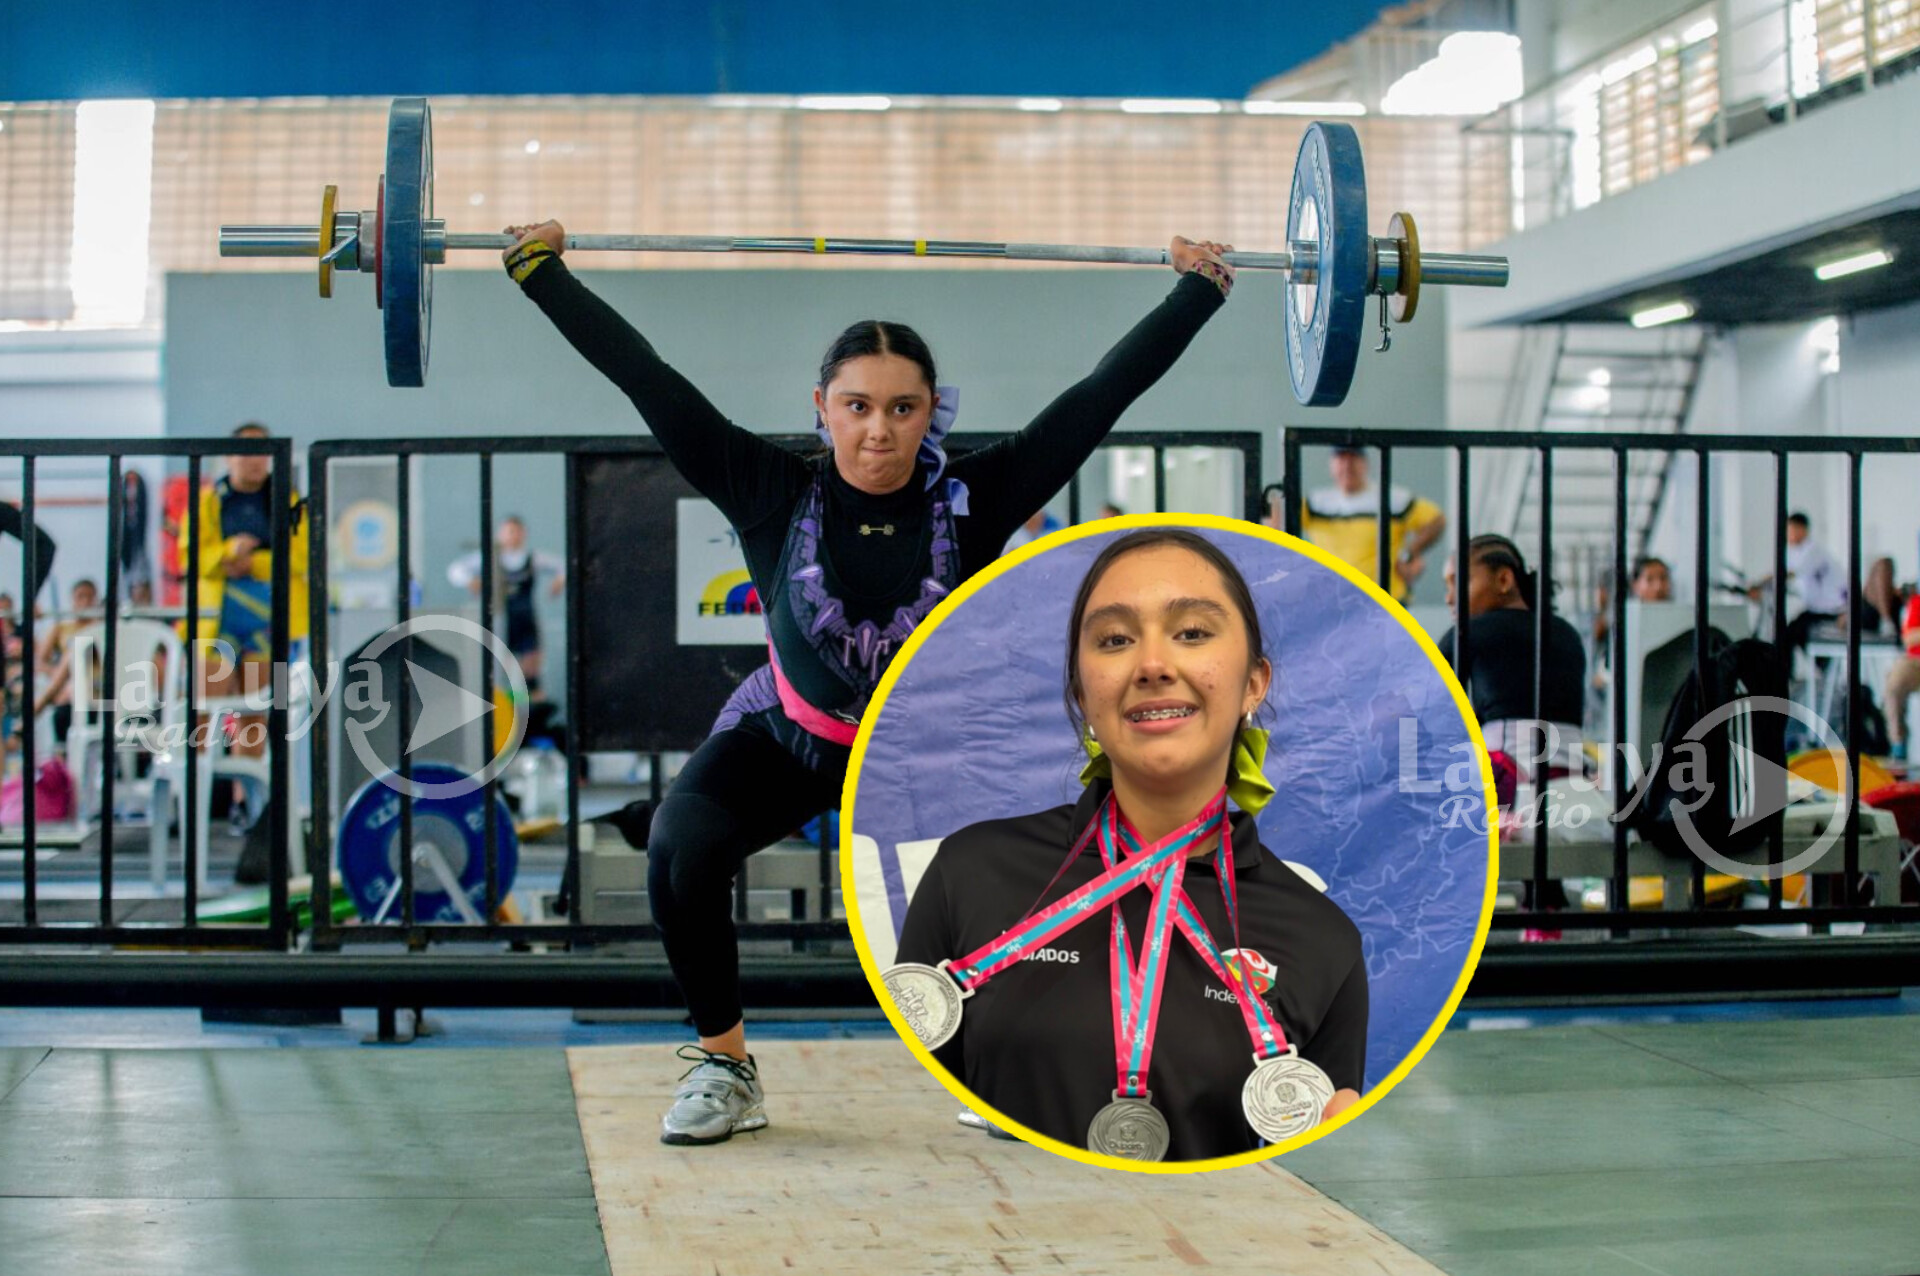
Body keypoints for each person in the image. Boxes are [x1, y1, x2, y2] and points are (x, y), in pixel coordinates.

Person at [503, 219, 1236, 1145]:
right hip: (791, 741)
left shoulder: (979, 497)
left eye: (901, 408)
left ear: (932, 413)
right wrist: (539, 272)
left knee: (1061, 867)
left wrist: (1199, 289)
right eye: (856, 406)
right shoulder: (766, 487)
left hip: (926, 755)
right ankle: (727, 1067)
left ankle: (1017, 1065)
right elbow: (645, 378)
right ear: (822, 407)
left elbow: (1102, 395)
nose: (878, 429)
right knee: (681, 844)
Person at [893, 529, 1366, 1161]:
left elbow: (1306, 1176)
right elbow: (907, 1125)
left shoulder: (1321, 939)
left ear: (1254, 684)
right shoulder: (972, 870)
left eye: (1192, 632)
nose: (1152, 665)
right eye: (1115, 640)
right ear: (1083, 695)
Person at [179, 423, 311, 873]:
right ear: (229, 456)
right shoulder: (208, 502)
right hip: (219, 624)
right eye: (245, 451)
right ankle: (193, 806)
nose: (254, 459)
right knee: (204, 718)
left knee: (253, 722)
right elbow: (188, 556)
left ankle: (250, 810)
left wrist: (251, 560)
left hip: (265, 625)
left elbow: (300, 557)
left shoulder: (287, 501)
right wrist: (224, 554)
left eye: (261, 451)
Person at [1438, 534, 1587, 924]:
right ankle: (1543, 908)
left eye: (1458, 582)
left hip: (1506, 789)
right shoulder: (1567, 634)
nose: (1450, 598)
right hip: (1572, 789)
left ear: (1504, 580)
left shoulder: (1470, 633)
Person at [1297, 446, 1446, 603]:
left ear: (1365, 463)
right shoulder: (1315, 503)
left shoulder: (1392, 498)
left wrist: (1409, 554)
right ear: (1331, 465)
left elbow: (1436, 521)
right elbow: (1282, 522)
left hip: (1385, 598)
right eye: (1341, 459)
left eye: (1353, 458)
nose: (1347, 465)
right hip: (1332, 600)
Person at [448, 515, 565, 695]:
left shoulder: (533, 558)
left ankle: (531, 703)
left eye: (517, 532)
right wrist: (470, 581)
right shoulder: (489, 559)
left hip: (525, 617)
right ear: (500, 534)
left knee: (531, 666)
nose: (513, 536)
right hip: (500, 618)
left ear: (523, 534)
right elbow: (456, 570)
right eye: (509, 532)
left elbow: (563, 564)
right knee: (500, 665)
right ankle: (505, 703)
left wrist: (560, 579)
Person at [1747, 513, 1847, 659]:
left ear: (1802, 529)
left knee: (1789, 634)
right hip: (1817, 609)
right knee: (1790, 633)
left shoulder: (1813, 551)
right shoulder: (1796, 552)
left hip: (1833, 610)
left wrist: (1758, 584)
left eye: (1790, 530)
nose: (1787, 535)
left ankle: (1785, 670)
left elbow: (1787, 574)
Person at [32, 578, 100, 744]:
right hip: (67, 688)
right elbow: (39, 662)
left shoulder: (101, 627)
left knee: (76, 650)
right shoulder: (61, 628)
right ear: (72, 600)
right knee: (64, 704)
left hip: (95, 686)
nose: (85, 602)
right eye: (80, 596)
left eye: (90, 597)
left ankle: (34, 711)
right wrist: (57, 675)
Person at [1885, 587, 1920, 763]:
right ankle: (1898, 743)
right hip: (1915, 660)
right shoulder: (1917, 602)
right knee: (1894, 685)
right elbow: (1909, 639)